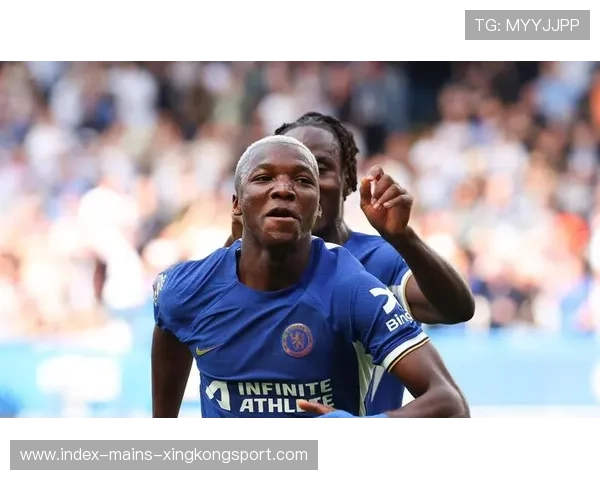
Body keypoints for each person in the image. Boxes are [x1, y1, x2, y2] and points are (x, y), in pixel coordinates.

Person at [151, 135, 469, 420]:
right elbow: (171, 320)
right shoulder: (187, 288)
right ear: (236, 204)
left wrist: (366, 430)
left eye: (303, 180)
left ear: (317, 208)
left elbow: (452, 405)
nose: (283, 189)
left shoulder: (350, 287)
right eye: (263, 178)